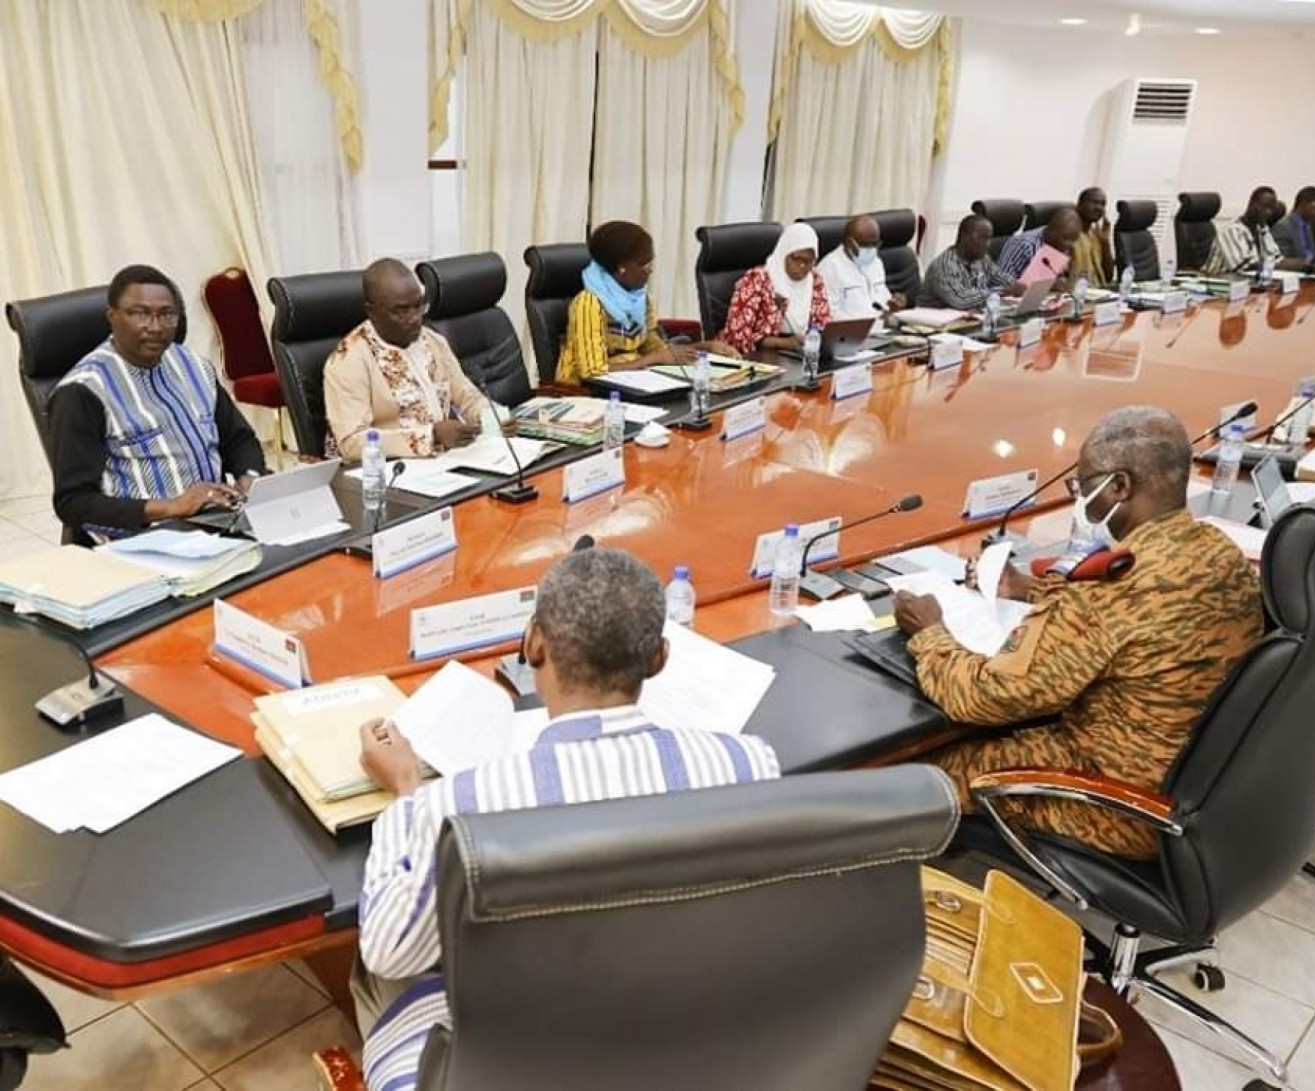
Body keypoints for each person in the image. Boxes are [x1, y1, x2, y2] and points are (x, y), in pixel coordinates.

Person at [354, 547, 780, 1091]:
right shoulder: (749, 764)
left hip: (529, 1062)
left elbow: (389, 951)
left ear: (534, 644)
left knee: (377, 968)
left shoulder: (459, 804)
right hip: (690, 1042)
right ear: (659, 659)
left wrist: (407, 793)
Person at [892, 406, 1261, 858]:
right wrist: (1031, 589)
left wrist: (929, 631)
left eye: (1084, 486)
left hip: (1115, 803)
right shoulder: (1219, 552)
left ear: (1120, 486)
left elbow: (983, 697)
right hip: (1196, 787)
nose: (1081, 499)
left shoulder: (1114, 589)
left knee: (910, 772)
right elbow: (1137, 617)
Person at [49, 264, 265, 539]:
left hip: (218, 522)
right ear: (112, 317)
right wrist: (173, 507)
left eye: (167, 315)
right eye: (139, 314)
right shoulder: (83, 391)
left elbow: (239, 439)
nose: (155, 327)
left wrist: (250, 478)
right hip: (143, 539)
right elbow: (73, 502)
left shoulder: (195, 367)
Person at [323, 259, 486, 463]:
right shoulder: (348, 361)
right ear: (371, 311)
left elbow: (467, 396)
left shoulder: (433, 341)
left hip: (445, 461)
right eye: (401, 311)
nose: (414, 318)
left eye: (418, 306)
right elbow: (351, 442)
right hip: (386, 470)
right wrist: (431, 435)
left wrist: (493, 418)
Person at [556, 221, 735, 383]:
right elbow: (592, 371)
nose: (650, 271)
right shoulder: (589, 303)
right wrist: (654, 359)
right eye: (645, 265)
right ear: (622, 268)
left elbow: (656, 348)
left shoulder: (639, 298)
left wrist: (704, 348)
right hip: (586, 393)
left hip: (630, 385)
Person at [721, 222, 831, 354]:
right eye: (796, 258)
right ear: (784, 252)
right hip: (756, 355)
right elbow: (737, 337)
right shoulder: (757, 280)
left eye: (808, 261)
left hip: (799, 354)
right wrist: (784, 343)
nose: (802, 266)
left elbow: (823, 326)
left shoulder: (815, 281)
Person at [817, 215, 907, 320]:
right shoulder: (829, 268)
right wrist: (866, 324)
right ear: (850, 243)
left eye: (875, 244)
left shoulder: (876, 262)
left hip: (881, 327)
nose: (871, 250)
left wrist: (893, 306)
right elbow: (829, 314)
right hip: (851, 328)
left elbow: (882, 301)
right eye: (866, 245)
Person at [917, 215, 1016, 310]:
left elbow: (1003, 279)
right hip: (933, 318)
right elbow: (961, 300)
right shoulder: (944, 265)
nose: (987, 244)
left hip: (967, 316)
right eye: (981, 238)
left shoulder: (982, 259)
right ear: (964, 237)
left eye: (989, 238)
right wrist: (1002, 291)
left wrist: (1018, 287)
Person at [1204, 186, 1288, 275]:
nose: (1268, 212)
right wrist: (1276, 265)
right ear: (1251, 204)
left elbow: (1276, 258)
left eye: (1271, 209)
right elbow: (1244, 267)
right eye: (1264, 207)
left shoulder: (1261, 228)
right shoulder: (1231, 230)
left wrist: (1296, 264)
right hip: (1218, 279)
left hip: (1247, 280)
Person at [997, 207, 1083, 285]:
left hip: (1044, 295)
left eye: (1074, 240)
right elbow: (1000, 283)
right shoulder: (1024, 245)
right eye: (1065, 238)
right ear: (1052, 230)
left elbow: (1061, 279)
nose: (1069, 244)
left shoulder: (1061, 247)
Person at [1071, 188, 1114, 287]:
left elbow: (1108, 277)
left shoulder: (1096, 234)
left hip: (1099, 292)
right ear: (1080, 205)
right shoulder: (1066, 235)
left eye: (1103, 204)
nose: (1099, 208)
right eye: (1094, 203)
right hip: (1079, 292)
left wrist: (1105, 243)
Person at [1272, 186, 1315, 265]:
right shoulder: (1282, 227)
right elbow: (1281, 260)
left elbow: (1312, 253)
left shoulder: (1307, 226)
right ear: (1304, 204)